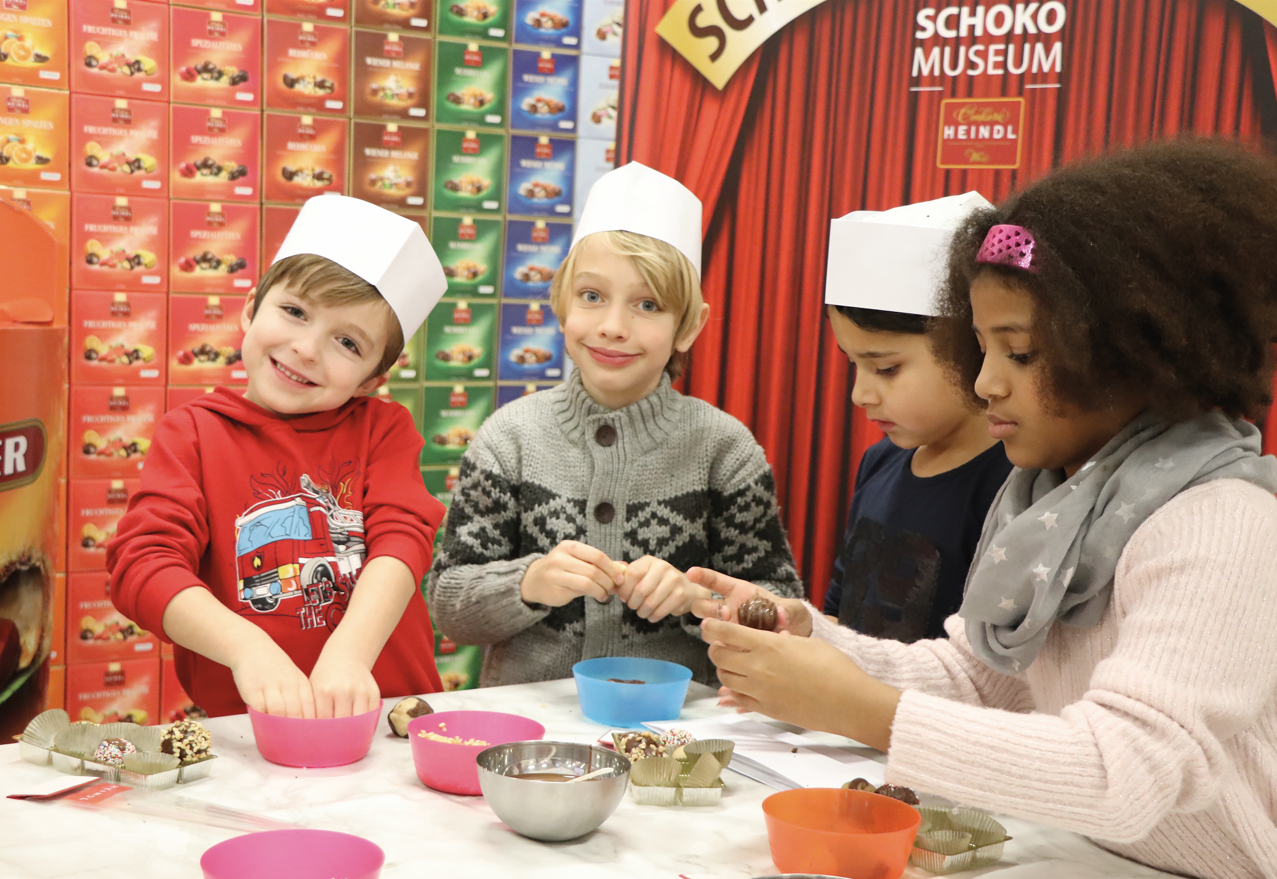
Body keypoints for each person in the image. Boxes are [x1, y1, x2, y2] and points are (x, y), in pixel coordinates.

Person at [693, 139, 1277, 879]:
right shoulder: (1052, 501)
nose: (986, 384)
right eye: (980, 350)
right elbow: (978, 676)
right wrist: (814, 640)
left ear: (1138, 348)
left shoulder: (1218, 522)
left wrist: (869, 713)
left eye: (1021, 354)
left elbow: (1126, 770)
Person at [427, 162, 802, 687]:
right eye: (592, 296)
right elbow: (448, 605)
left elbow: (783, 617)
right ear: (560, 303)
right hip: (534, 729)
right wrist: (528, 581)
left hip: (676, 733)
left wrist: (698, 601)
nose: (612, 326)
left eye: (647, 304)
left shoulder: (724, 451)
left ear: (689, 326)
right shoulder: (508, 439)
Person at [108, 195, 450, 719]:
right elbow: (143, 566)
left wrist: (351, 654)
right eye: (294, 312)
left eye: (348, 343)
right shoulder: (193, 435)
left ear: (372, 381)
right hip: (251, 731)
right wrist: (249, 650)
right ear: (250, 310)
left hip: (391, 717)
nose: (307, 349)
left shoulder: (383, 429)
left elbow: (402, 540)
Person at [821, 194, 1013, 641]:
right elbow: (840, 615)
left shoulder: (1013, 484)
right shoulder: (879, 463)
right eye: (852, 364)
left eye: (886, 368)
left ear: (971, 348)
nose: (859, 394)